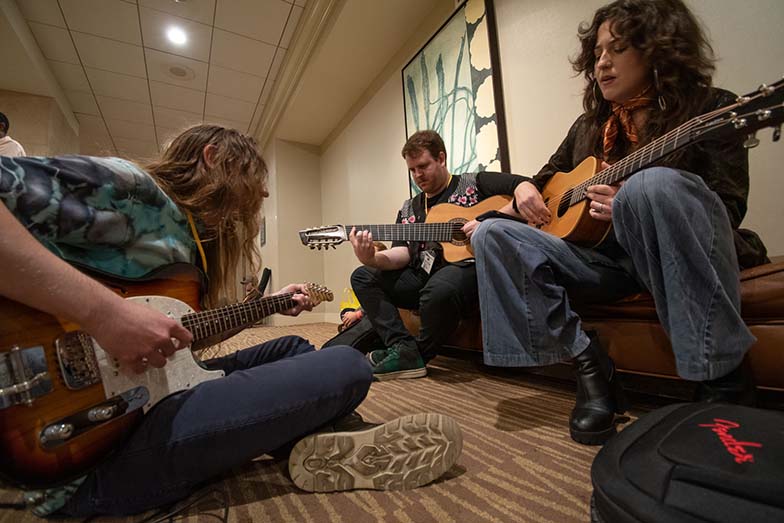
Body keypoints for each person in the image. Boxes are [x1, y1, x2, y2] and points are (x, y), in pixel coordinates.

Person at [0, 125, 462, 518]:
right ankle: (331, 434)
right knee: (348, 366)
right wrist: (103, 313)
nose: (259, 199)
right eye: (253, 184)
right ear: (213, 158)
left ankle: (318, 438)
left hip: (151, 395)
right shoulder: (131, 188)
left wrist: (269, 304)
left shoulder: (187, 243)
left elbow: (182, 335)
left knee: (297, 348)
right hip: (83, 457)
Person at [471, 0, 768, 446]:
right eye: (597, 53)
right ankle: (590, 365)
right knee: (493, 233)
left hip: (668, 254)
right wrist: (524, 189)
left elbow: (726, 210)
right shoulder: (587, 127)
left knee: (653, 185)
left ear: (657, 49)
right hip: (601, 261)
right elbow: (549, 179)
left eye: (618, 48)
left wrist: (634, 203)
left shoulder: (711, 109)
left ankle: (722, 378)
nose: (602, 62)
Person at [350, 130, 530, 380]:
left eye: (423, 166)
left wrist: (489, 219)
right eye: (412, 170)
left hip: (468, 270)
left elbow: (523, 186)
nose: (417, 175)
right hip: (421, 275)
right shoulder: (409, 208)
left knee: (439, 288)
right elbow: (401, 252)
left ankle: (418, 356)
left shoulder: (474, 183)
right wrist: (372, 259)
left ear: (441, 158)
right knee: (362, 276)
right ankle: (402, 347)